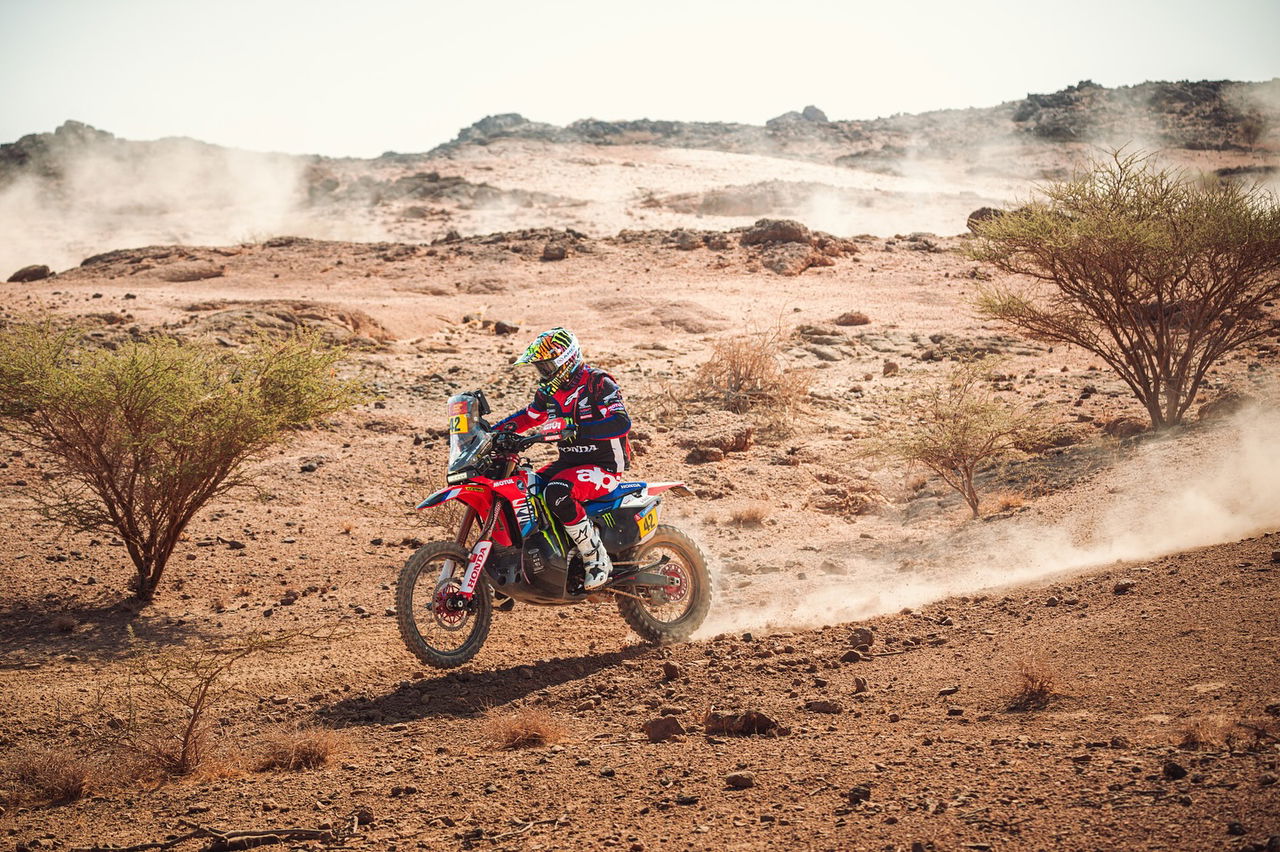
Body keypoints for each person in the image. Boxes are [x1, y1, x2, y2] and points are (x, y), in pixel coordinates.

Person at [495, 328, 631, 591]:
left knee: (557, 492)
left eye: (547, 366)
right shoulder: (548, 393)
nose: (543, 372)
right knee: (524, 487)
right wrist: (493, 432)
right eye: (540, 367)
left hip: (604, 466)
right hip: (569, 463)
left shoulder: (598, 383)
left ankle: (596, 558)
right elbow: (529, 417)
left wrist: (579, 429)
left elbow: (622, 422)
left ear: (566, 360)